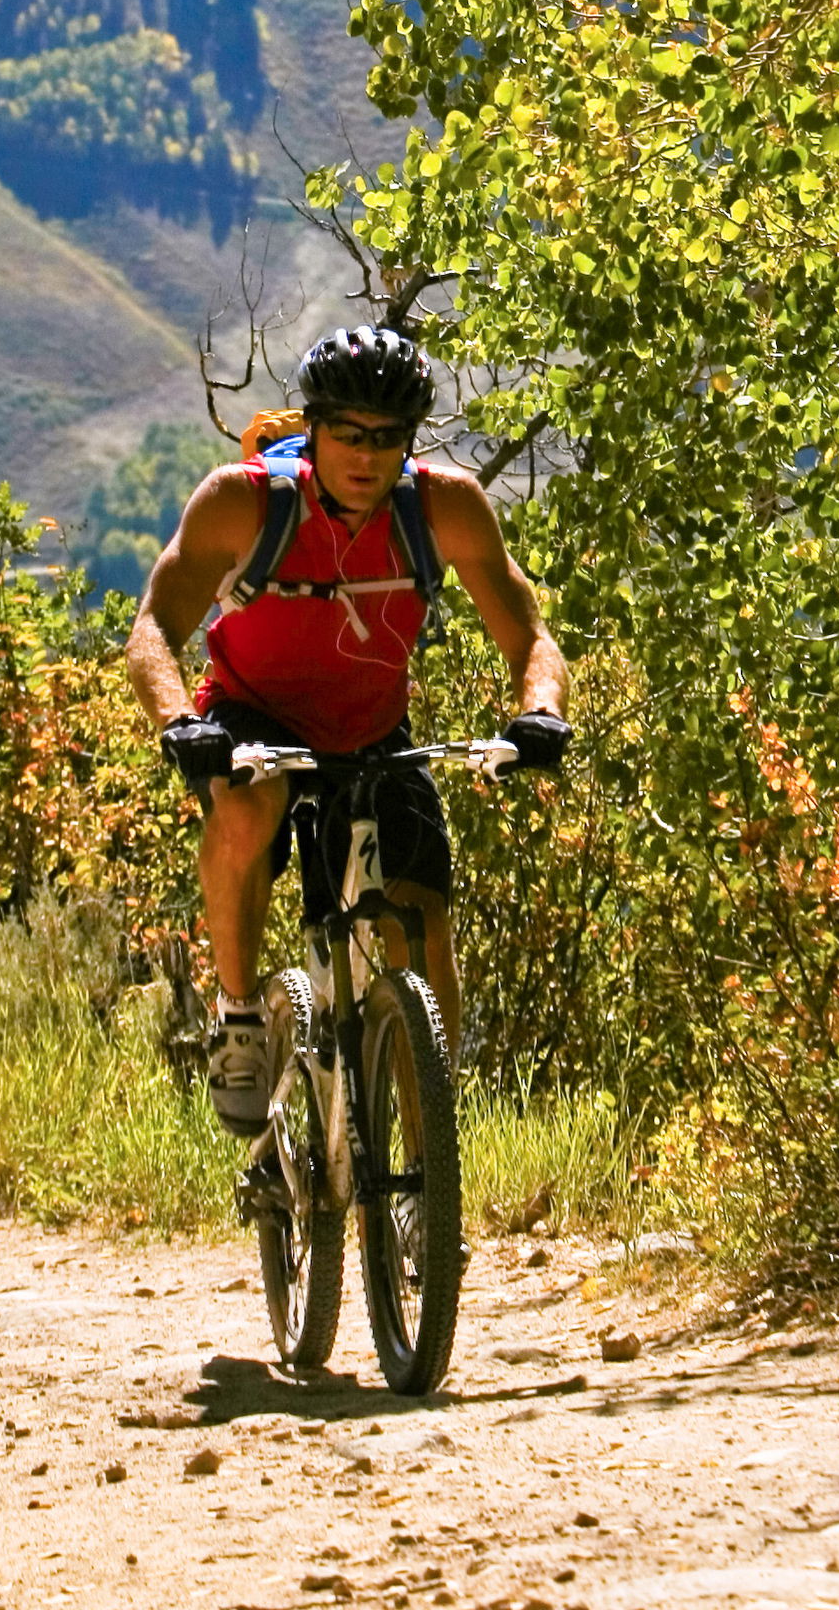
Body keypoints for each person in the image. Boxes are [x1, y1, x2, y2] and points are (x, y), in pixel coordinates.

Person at [124, 324, 571, 1134]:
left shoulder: (445, 508)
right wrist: (178, 722)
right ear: (314, 427)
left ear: (410, 441)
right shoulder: (243, 502)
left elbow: (530, 635)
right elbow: (154, 624)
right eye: (348, 435)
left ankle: (425, 1164)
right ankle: (238, 1019)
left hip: (372, 730)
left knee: (421, 918)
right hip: (251, 715)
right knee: (248, 809)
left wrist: (540, 709)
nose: (367, 457)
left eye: (387, 438)